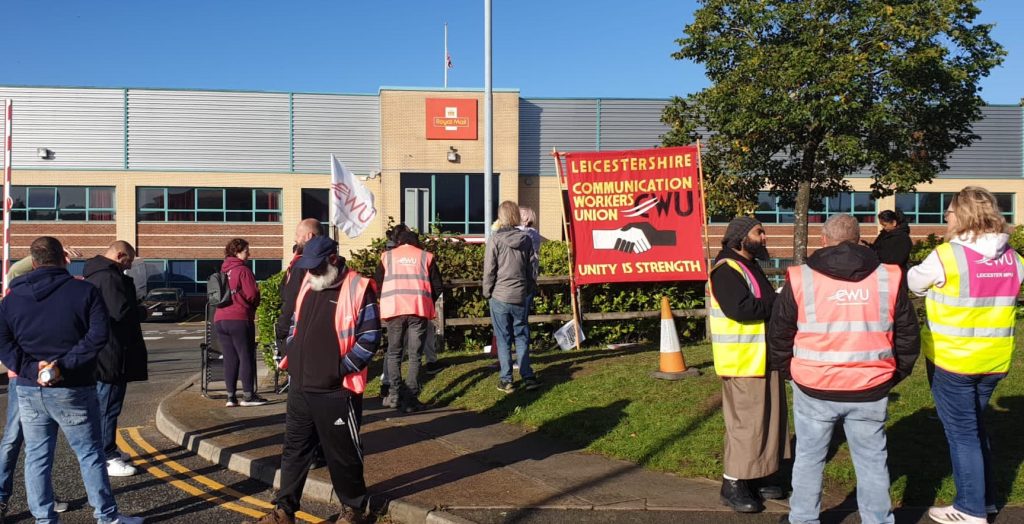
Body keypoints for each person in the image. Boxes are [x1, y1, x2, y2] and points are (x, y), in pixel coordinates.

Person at [769, 214, 920, 524]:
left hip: (813, 384)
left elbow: (779, 333)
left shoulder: (801, 276)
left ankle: (803, 518)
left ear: (823, 240)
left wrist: (791, 372)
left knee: (810, 459)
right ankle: (877, 520)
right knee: (872, 460)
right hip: (870, 384)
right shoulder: (888, 276)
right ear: (858, 238)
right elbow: (908, 334)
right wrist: (894, 374)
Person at [0, 236, 142, 523]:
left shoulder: (13, 297)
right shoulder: (83, 291)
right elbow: (98, 336)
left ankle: (44, 518)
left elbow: (4, 341)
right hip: (73, 386)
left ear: (35, 262)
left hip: (29, 388)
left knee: (37, 457)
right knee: (89, 454)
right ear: (64, 259)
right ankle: (106, 516)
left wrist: (30, 369)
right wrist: (63, 366)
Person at [907, 187, 1024, 524]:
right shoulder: (1013, 258)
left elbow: (914, 284)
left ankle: (970, 509)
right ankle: (984, 501)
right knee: (974, 430)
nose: (946, 216)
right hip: (995, 361)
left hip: (953, 361)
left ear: (963, 216)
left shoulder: (947, 255)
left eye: (950, 211)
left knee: (962, 435)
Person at [251, 236, 379, 524]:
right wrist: (293, 355)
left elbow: (369, 338)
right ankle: (285, 510)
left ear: (333, 259)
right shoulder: (309, 283)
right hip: (301, 385)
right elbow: (296, 324)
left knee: (342, 453)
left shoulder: (358, 287)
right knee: (294, 450)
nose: (311, 272)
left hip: (336, 389)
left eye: (317, 266)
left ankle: (353, 509)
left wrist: (338, 369)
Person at [706, 216, 786, 513]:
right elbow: (741, 309)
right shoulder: (726, 270)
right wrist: (777, 302)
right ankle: (733, 482)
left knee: (769, 421)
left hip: (763, 357)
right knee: (747, 424)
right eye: (759, 232)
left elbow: (760, 301)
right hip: (742, 361)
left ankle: (760, 474)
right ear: (740, 237)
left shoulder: (749, 265)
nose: (764, 237)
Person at [84, 241, 149, 478]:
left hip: (104, 351)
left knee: (107, 404)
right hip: (112, 352)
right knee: (108, 406)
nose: (128, 266)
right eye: (128, 261)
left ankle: (107, 448)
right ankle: (106, 455)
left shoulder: (96, 274)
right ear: (119, 255)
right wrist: (142, 311)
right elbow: (119, 312)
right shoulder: (110, 278)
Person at [374, 230, 443, 413]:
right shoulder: (426, 257)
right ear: (416, 243)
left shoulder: (387, 257)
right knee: (415, 355)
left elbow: (377, 284)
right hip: (418, 309)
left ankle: (395, 394)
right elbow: (438, 285)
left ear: (398, 242)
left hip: (394, 309)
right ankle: (411, 398)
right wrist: (427, 299)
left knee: (394, 353)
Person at [483, 200, 539, 393]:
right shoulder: (526, 240)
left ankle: (506, 379)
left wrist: (487, 291)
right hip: (520, 295)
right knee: (522, 335)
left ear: (501, 217)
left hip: (499, 294)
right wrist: (529, 289)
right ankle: (527, 375)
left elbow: (489, 269)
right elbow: (531, 269)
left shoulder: (495, 239)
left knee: (503, 337)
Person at [214, 238, 266, 407]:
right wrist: (255, 303)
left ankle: (230, 397)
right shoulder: (243, 270)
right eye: (246, 251)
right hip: (239, 318)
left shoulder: (223, 270)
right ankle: (249, 396)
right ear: (237, 252)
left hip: (220, 318)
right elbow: (252, 294)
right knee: (246, 356)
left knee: (229, 358)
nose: (248, 254)